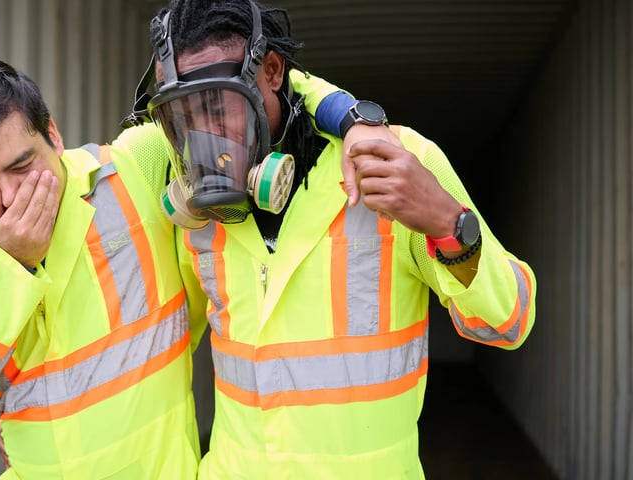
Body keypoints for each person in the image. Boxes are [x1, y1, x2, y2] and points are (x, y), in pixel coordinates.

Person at [0, 59, 383, 478]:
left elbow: (239, 83)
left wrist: (350, 116)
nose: (10, 196)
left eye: (21, 166)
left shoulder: (132, 167)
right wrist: (12, 265)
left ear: (52, 134)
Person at [135, 0, 538, 478]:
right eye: (182, 116)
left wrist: (448, 224)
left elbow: (507, 322)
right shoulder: (195, 204)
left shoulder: (395, 162)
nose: (203, 137)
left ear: (271, 70)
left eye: (217, 106)